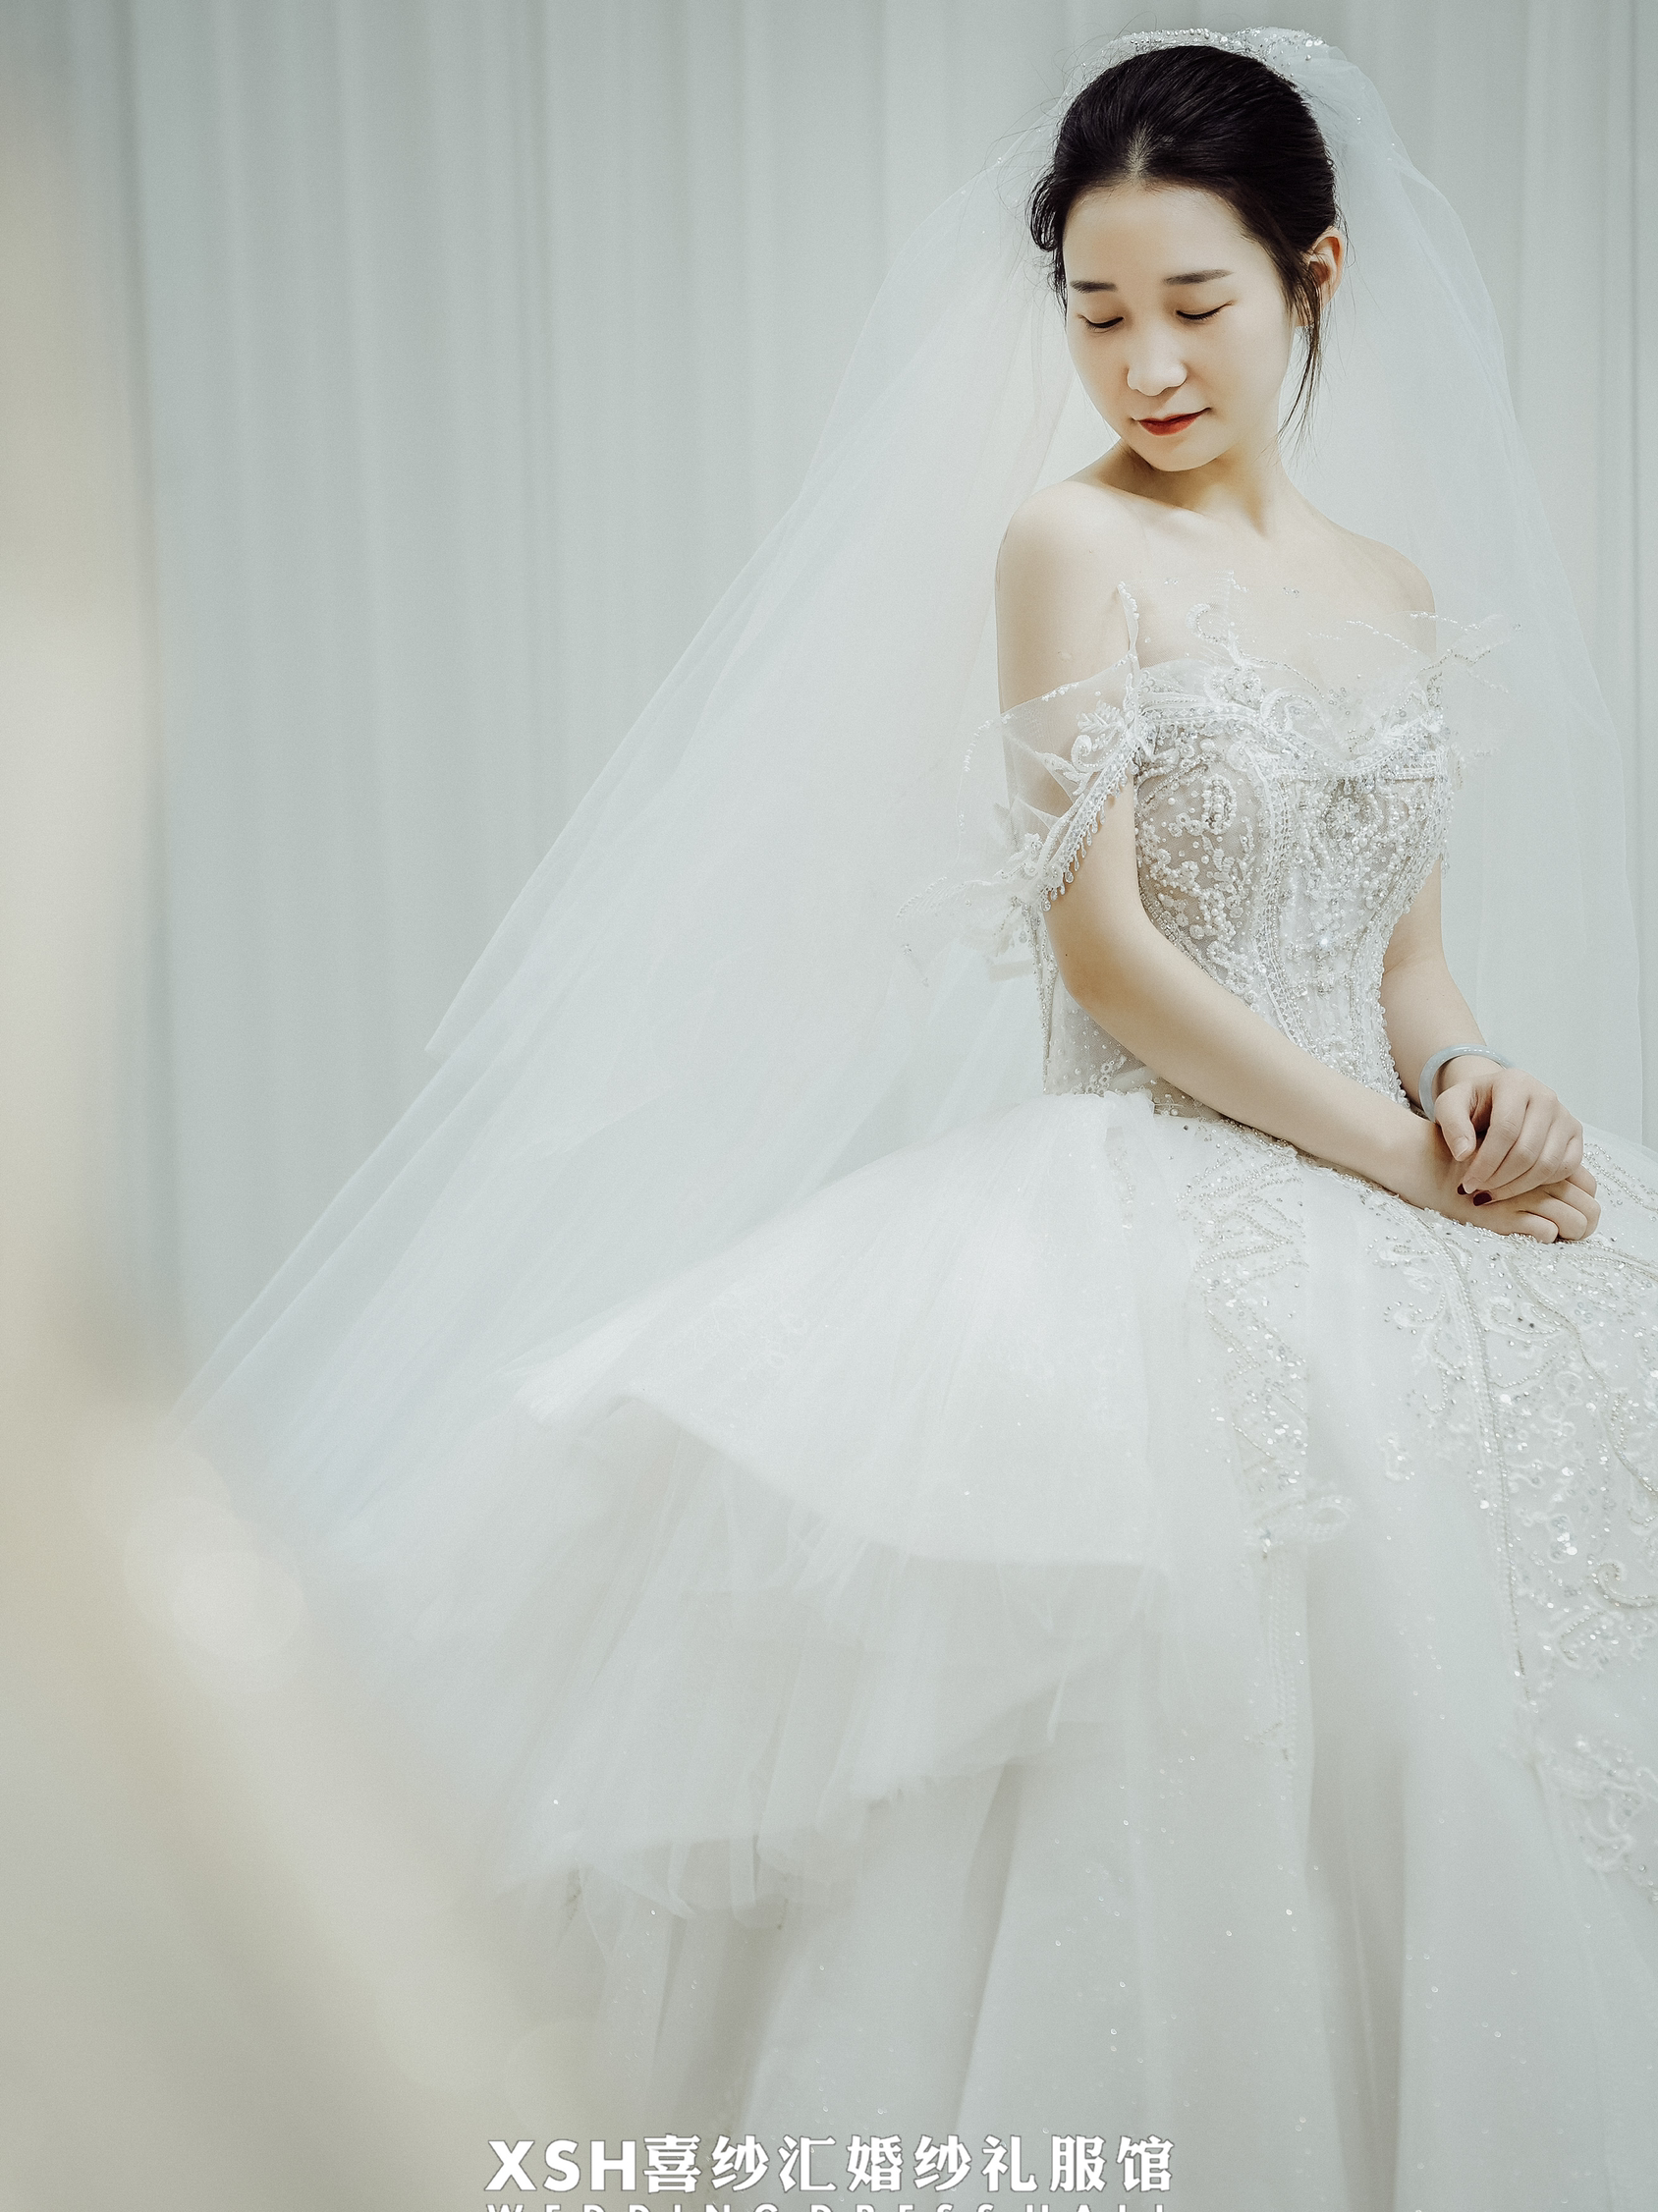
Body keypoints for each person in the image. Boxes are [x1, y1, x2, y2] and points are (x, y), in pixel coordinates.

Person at [184, 29, 1658, 2206]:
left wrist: (1471, 1086)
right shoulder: (1067, 545)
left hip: (1391, 1186)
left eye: (1195, 304)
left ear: (1316, 273)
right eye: (1096, 311)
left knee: (1448, 1741)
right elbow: (1107, 959)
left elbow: (1410, 964)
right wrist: (1390, 1156)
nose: (1143, 364)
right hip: (1158, 1202)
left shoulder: (1396, 594)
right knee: (1163, 1750)